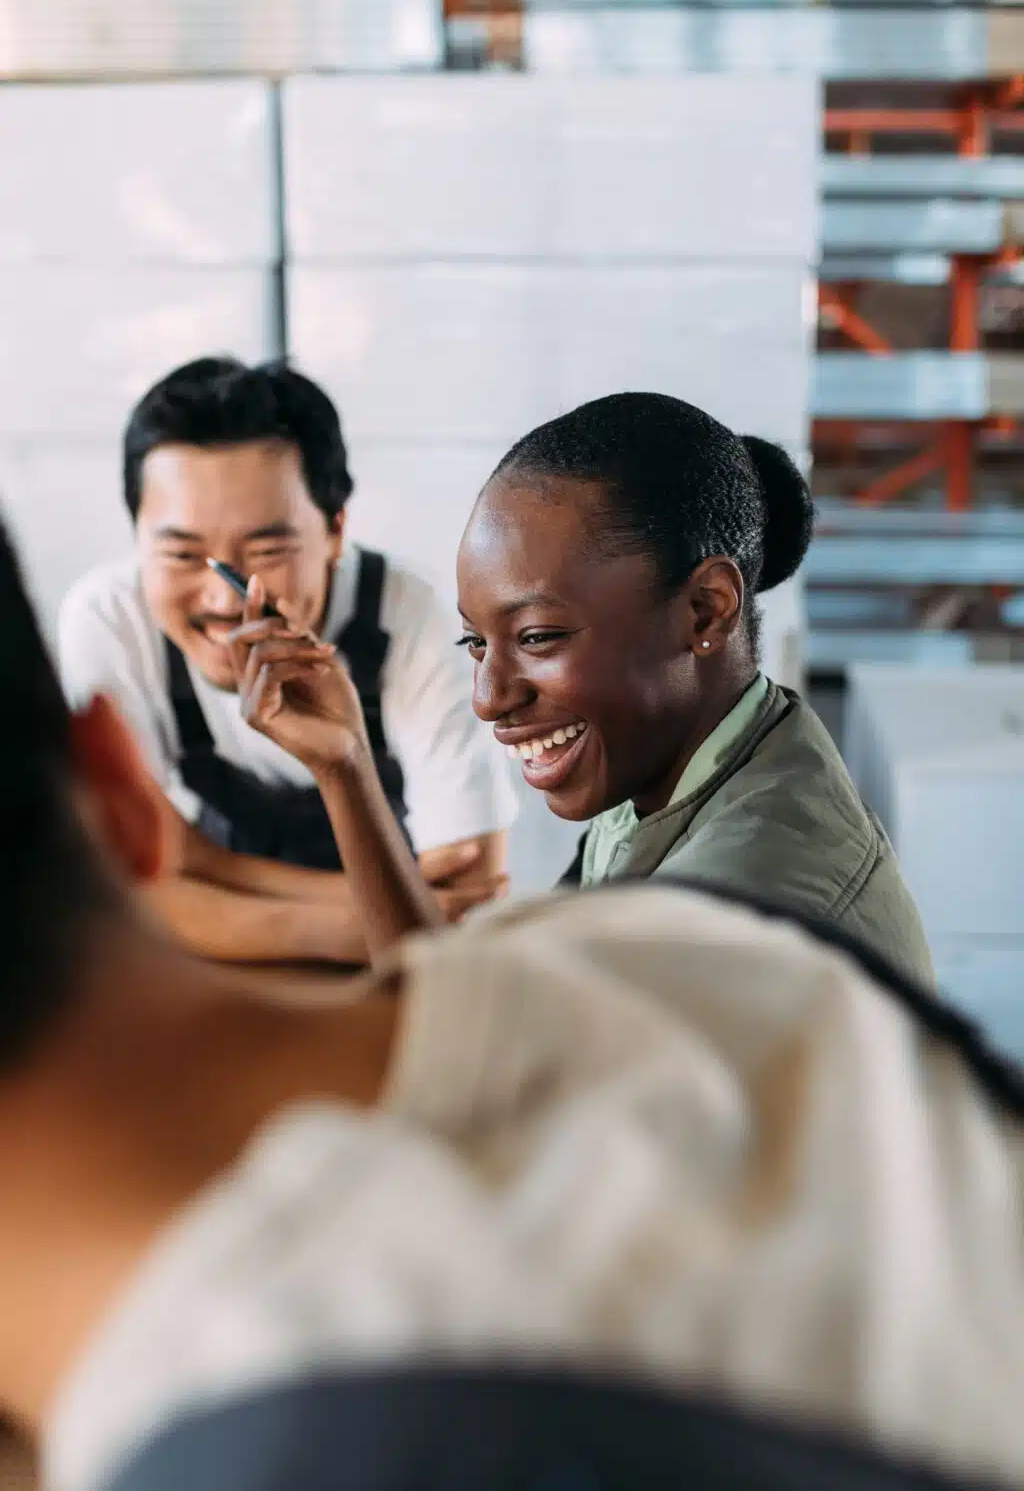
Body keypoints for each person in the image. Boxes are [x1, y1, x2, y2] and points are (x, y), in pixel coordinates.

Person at [0, 511, 1021, 1491]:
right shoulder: (685, 952)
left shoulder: (291, 1429)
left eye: (535, 636)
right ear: (127, 791)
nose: (493, 695)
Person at [227, 391, 932, 986]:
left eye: (536, 638)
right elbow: (472, 1024)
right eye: (476, 642)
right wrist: (344, 762)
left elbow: (486, 1093)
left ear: (706, 610)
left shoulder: (726, 923)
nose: (488, 697)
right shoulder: (694, 768)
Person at [57, 357, 517, 965]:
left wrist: (205, 874)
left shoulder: (408, 613)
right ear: (137, 536)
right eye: (182, 555)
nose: (225, 600)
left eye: (267, 549)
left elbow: (469, 880)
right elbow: (116, 883)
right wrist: (367, 921)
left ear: (335, 530)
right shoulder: (108, 618)